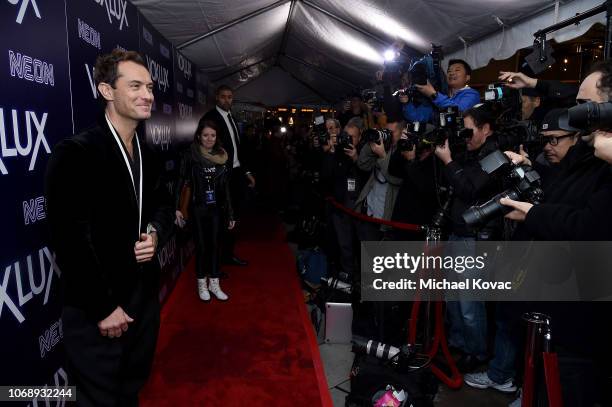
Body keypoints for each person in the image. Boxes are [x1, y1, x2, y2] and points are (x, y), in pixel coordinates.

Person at [45, 49, 173, 406]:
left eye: (149, 86)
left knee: (130, 390)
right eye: (135, 86)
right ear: (106, 90)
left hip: (143, 302)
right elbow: (69, 240)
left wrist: (157, 234)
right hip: (97, 310)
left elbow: (164, 207)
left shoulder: (149, 154)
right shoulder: (77, 152)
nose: (147, 94)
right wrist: (102, 307)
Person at [175, 120, 234, 301]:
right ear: (199, 136)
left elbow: (226, 188)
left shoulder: (222, 156)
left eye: (213, 135)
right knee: (202, 246)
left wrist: (231, 213)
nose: (209, 139)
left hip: (216, 209)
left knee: (216, 245)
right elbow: (180, 181)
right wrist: (177, 207)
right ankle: (202, 283)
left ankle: (214, 283)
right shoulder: (190, 155)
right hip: (197, 208)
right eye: (206, 135)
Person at [199, 85, 254, 266]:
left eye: (230, 97)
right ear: (217, 97)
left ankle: (228, 255)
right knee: (220, 219)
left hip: (236, 173)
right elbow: (204, 149)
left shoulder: (232, 118)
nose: (227, 100)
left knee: (234, 216)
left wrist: (246, 171)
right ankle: (215, 260)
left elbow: (238, 149)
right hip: (221, 176)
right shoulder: (210, 118)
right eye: (223, 97)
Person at [415, 59, 480, 112]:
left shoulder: (472, 94)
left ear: (467, 77)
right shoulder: (443, 95)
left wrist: (433, 95)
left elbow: (459, 110)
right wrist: (406, 102)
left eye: (457, 70)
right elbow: (422, 117)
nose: (451, 73)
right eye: (449, 71)